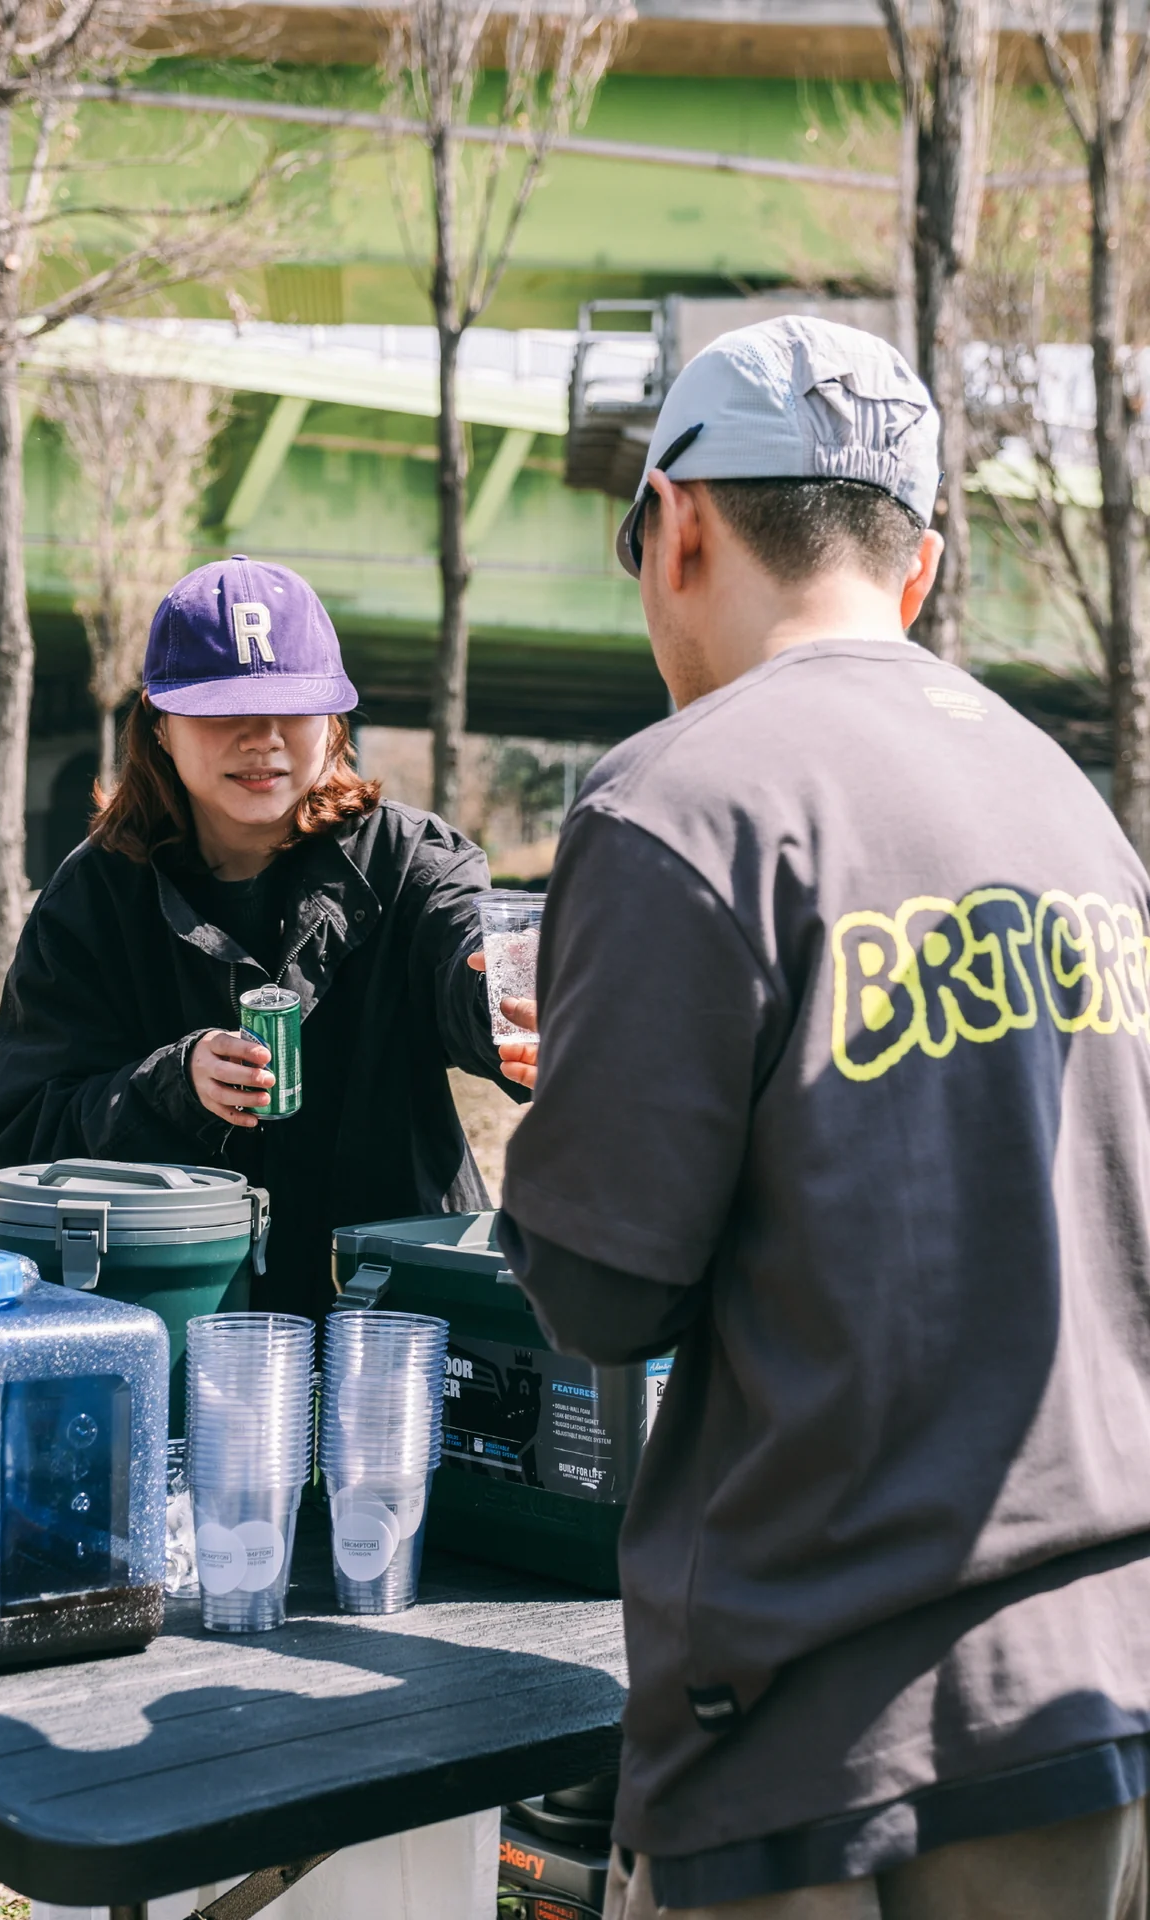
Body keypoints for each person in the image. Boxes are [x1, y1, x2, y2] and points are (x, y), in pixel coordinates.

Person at [497, 316, 1150, 1919]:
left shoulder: (678, 802)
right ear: (917, 568)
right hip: (1099, 1683)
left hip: (816, 1723)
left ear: (679, 526)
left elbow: (600, 1292)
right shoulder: (1074, 810)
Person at [0, 554, 529, 1317]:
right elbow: (17, 1139)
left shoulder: (412, 860)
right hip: (177, 1315)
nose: (262, 739)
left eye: (292, 708)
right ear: (160, 725)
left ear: (333, 721)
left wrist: (511, 996)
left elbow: (466, 951)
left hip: (397, 1316)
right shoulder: (94, 894)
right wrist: (173, 1087)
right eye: (224, 709)